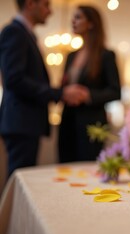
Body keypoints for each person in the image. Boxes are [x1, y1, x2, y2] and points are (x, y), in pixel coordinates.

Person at [0, 0, 88, 178]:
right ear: (31, 4)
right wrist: (60, 93)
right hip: (21, 121)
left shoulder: (25, 34)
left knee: (21, 179)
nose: (50, 11)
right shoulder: (15, 32)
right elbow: (14, 80)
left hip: (24, 122)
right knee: (19, 180)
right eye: (46, 5)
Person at [58, 5, 121, 163]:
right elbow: (64, 87)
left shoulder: (106, 55)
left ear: (91, 23)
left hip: (92, 122)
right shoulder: (71, 56)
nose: (73, 21)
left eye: (78, 17)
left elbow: (115, 91)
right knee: (65, 164)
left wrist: (88, 95)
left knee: (86, 166)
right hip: (67, 119)